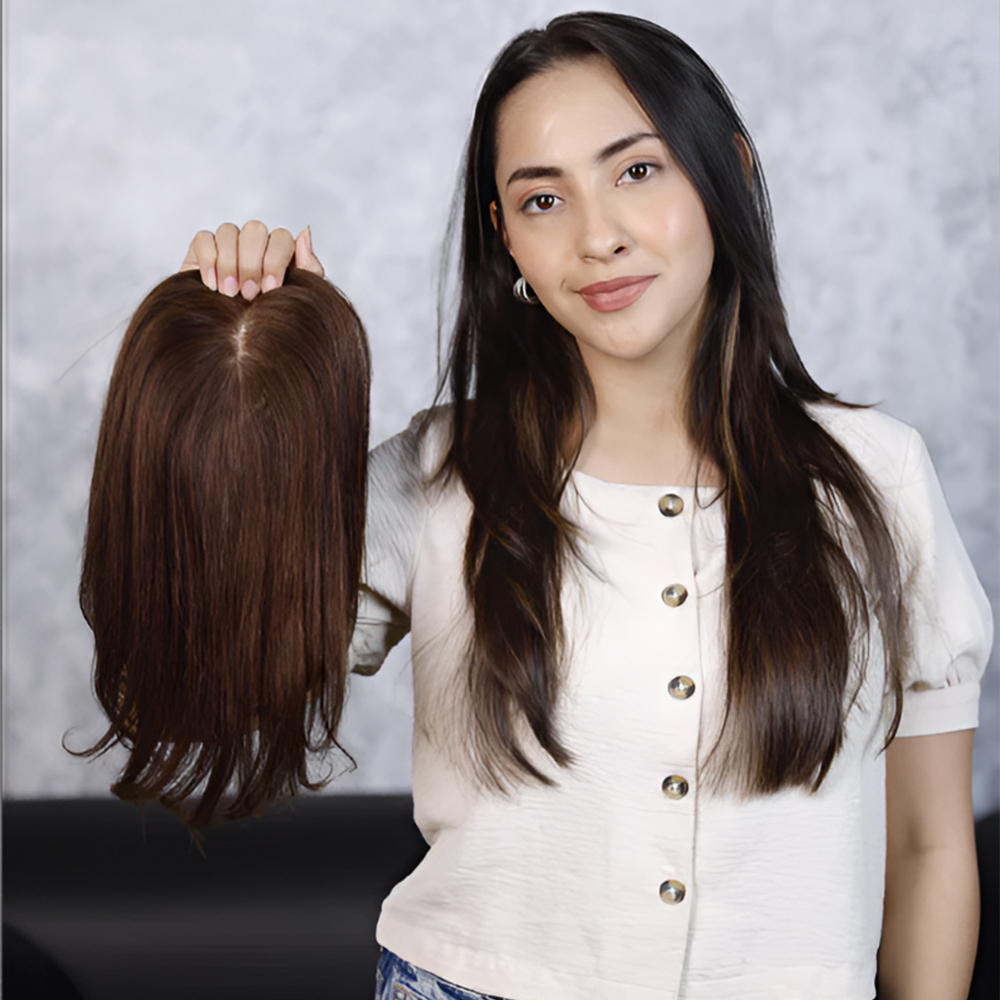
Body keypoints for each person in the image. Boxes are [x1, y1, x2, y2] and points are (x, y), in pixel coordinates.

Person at [98, 11, 991, 1000]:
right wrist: (245, 383)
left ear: (727, 168)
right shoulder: (439, 474)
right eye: (540, 199)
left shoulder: (878, 477)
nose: (597, 236)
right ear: (504, 237)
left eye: (637, 171)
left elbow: (924, 845)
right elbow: (178, 690)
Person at [79, 268, 371, 831]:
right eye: (544, 202)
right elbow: (203, 703)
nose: (598, 241)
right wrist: (224, 352)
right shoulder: (432, 484)